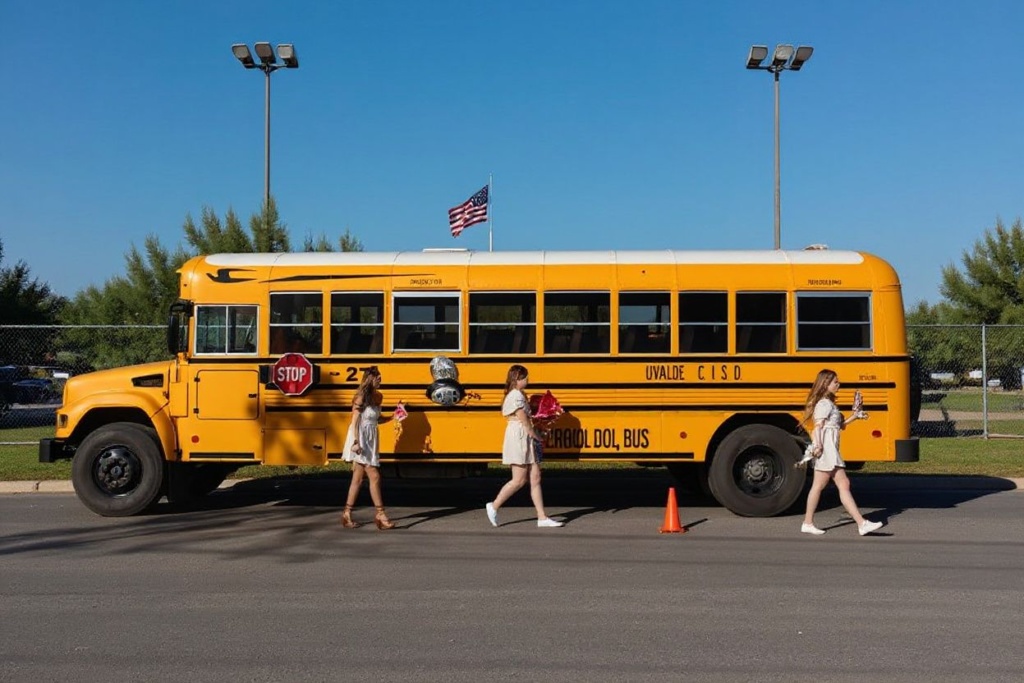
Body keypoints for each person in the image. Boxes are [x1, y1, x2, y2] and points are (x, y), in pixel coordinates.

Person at [800, 369, 884, 536]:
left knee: (821, 486)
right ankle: (861, 523)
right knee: (840, 484)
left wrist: (856, 416)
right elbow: (818, 427)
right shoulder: (824, 404)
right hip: (827, 450)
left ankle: (808, 523)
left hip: (829, 449)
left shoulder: (828, 403)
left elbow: (841, 426)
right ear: (825, 384)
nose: (838, 384)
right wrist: (819, 447)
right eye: (835, 382)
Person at [484, 364, 563, 528]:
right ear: (518, 379)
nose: (528, 380)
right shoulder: (515, 396)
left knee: (535, 478)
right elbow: (525, 422)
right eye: (525, 378)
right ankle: (494, 505)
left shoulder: (519, 395)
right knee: (518, 480)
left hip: (525, 437)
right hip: (519, 438)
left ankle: (542, 517)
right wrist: (538, 437)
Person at [340, 366, 396, 530]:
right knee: (374, 475)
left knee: (357, 479)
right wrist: (356, 442)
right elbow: (355, 420)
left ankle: (347, 513)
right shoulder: (361, 397)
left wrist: (394, 416)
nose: (380, 381)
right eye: (378, 378)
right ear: (371, 379)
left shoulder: (378, 397)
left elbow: (376, 420)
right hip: (360, 439)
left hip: (371, 438)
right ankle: (380, 514)